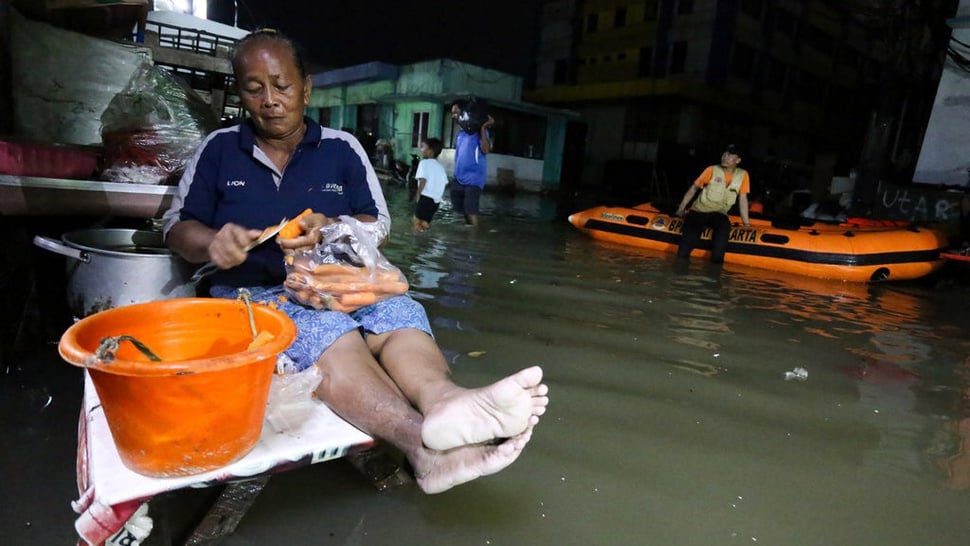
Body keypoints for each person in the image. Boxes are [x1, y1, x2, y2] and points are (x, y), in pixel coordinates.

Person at [161, 29, 548, 495]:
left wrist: (333, 226)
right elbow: (177, 228)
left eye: (282, 86)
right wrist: (212, 243)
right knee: (329, 334)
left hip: (339, 279)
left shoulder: (343, 148)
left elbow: (378, 220)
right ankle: (422, 450)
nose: (269, 100)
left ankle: (447, 401)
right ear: (240, 91)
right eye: (253, 87)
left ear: (306, 87)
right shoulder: (220, 148)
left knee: (400, 313)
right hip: (254, 295)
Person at [674, 144, 751, 264]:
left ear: (738, 160)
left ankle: (715, 267)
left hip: (719, 214)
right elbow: (694, 189)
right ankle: (680, 265)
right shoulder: (711, 170)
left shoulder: (743, 175)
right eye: (724, 153)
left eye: (730, 155)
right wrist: (680, 209)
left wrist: (746, 224)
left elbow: (743, 199)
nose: (725, 157)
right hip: (699, 211)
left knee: (724, 228)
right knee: (686, 244)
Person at [450, 98, 494, 226]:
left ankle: (473, 240)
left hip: (474, 179)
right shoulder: (460, 134)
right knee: (460, 211)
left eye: (456, 112)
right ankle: (464, 236)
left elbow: (486, 150)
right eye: (452, 113)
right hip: (459, 178)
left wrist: (483, 127)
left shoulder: (480, 132)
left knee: (471, 211)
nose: (454, 116)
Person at [412, 137, 448, 232]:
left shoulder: (424, 163)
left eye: (423, 147)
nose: (421, 150)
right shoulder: (440, 167)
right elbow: (444, 183)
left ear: (431, 151)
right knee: (425, 223)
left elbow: (423, 180)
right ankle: (426, 241)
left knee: (416, 221)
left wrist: (418, 195)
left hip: (425, 197)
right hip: (435, 201)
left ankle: (417, 241)